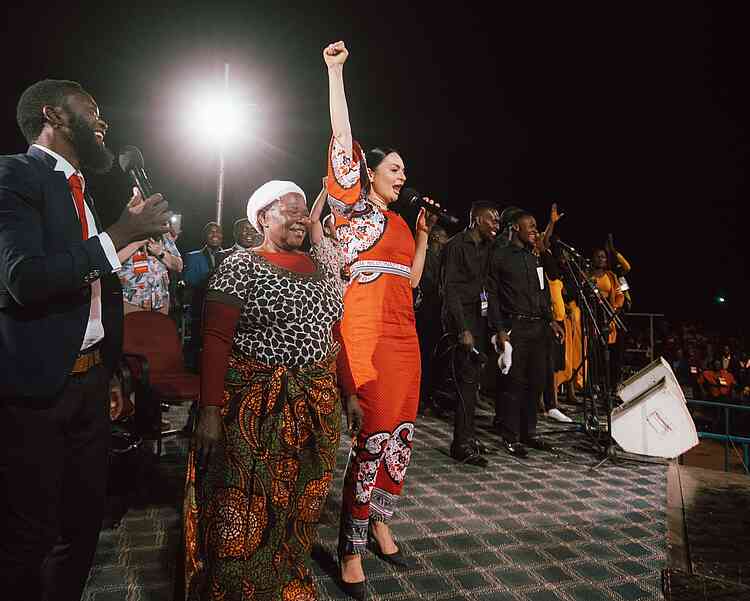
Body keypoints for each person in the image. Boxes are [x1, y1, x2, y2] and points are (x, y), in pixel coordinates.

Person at [0, 79, 171, 601]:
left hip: (91, 385)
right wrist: (118, 235)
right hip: (37, 394)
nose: (103, 121)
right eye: (91, 108)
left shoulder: (84, 191)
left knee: (83, 525)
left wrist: (109, 364)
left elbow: (96, 289)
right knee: (30, 534)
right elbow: (23, 279)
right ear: (54, 114)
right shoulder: (13, 175)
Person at [183, 180, 344, 600]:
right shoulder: (240, 265)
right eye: (289, 209)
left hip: (314, 405)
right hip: (256, 409)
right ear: (262, 217)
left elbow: (334, 331)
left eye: (304, 210)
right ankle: (237, 588)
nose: (300, 217)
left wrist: (350, 393)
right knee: (249, 501)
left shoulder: (319, 266)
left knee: (300, 502)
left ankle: (287, 578)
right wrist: (211, 410)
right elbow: (215, 339)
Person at [324, 40, 438, 598]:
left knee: (401, 437)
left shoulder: (395, 220)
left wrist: (421, 241)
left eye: (404, 169)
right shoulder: (353, 213)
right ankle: (350, 548)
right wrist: (336, 72)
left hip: (405, 338)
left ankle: (382, 520)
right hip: (365, 339)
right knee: (371, 438)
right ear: (368, 172)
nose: (402, 174)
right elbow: (343, 138)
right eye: (394, 167)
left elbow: (413, 283)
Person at [487, 211, 565, 457]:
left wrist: (551, 320)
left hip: (539, 328)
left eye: (535, 225)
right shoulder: (500, 256)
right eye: (530, 225)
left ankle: (529, 433)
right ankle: (511, 436)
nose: (534, 229)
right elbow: (492, 295)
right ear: (514, 227)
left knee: (536, 382)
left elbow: (544, 291)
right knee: (515, 384)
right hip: (516, 327)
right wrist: (499, 329)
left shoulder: (535, 258)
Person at [441, 202, 499, 466]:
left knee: (473, 382)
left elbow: (486, 287)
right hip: (460, 320)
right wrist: (462, 328)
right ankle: (460, 445)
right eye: (492, 220)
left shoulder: (487, 248)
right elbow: (450, 289)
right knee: (465, 383)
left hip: (478, 318)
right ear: (476, 219)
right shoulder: (455, 246)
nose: (496, 225)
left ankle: (470, 437)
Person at [416, 224, 448, 414]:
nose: (446, 240)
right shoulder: (427, 257)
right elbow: (426, 283)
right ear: (435, 237)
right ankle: (421, 397)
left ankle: (429, 396)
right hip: (426, 311)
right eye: (444, 237)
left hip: (438, 311)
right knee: (424, 356)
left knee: (435, 357)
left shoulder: (443, 259)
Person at [183, 222, 224, 370]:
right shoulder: (193, 257)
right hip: (200, 308)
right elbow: (190, 281)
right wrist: (209, 278)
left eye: (218, 232)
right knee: (197, 345)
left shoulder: (230, 256)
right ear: (204, 236)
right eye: (211, 232)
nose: (215, 235)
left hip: (222, 310)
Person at [119, 233, 183, 314]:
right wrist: (136, 245)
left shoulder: (164, 237)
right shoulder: (125, 234)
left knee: (161, 326)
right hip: (132, 302)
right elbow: (111, 261)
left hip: (160, 301)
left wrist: (161, 253)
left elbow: (179, 266)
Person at [589, 248, 625, 384]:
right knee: (593, 351)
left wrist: (614, 307)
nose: (601, 259)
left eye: (603, 257)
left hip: (608, 313)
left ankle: (610, 383)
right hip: (591, 313)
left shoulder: (611, 276)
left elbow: (620, 295)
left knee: (609, 351)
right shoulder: (586, 274)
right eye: (598, 256)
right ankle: (593, 382)